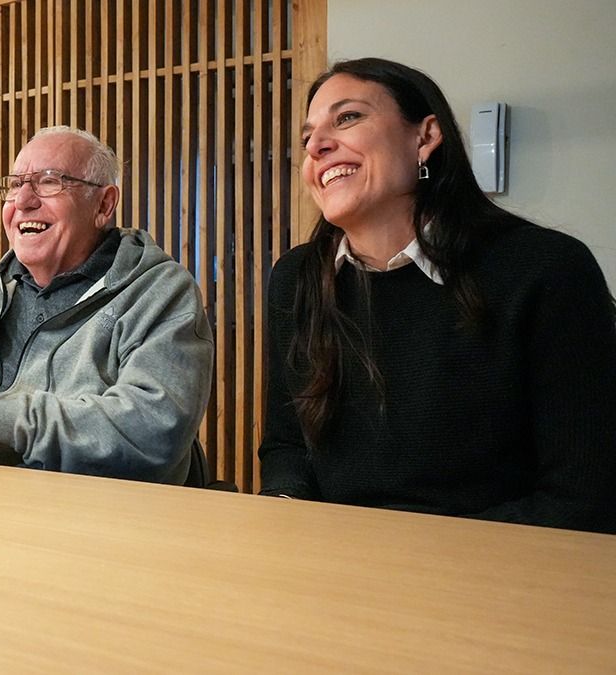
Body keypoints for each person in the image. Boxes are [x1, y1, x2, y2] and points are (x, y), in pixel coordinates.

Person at [259, 58, 616, 533]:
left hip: (503, 568)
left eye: (347, 118)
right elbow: (288, 446)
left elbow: (582, 496)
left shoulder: (546, 269)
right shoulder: (296, 277)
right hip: (337, 558)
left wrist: (418, 558)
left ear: (424, 137)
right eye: (307, 138)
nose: (318, 147)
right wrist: (285, 519)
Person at [0, 126, 214, 484]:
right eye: (14, 185)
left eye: (49, 182)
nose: (23, 201)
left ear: (104, 205)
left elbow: (152, 429)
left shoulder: (158, 291)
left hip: (85, 523)